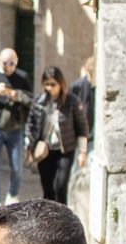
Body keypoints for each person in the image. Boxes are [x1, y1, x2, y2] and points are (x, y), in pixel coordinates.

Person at [0, 48, 33, 204]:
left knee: (17, 167)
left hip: (14, 126)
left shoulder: (22, 76)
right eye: (5, 63)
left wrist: (15, 95)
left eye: (12, 64)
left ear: (17, 62)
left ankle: (12, 195)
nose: (8, 66)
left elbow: (31, 99)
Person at [29, 67, 89, 205]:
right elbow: (31, 124)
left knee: (61, 185)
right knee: (47, 187)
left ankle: (62, 214)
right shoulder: (40, 101)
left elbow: (82, 127)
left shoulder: (72, 101)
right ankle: (49, 215)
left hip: (65, 150)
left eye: (53, 84)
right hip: (45, 150)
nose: (49, 88)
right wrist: (29, 145)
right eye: (46, 84)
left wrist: (82, 152)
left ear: (60, 83)